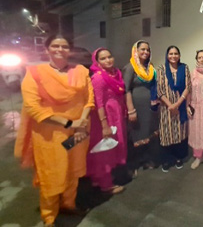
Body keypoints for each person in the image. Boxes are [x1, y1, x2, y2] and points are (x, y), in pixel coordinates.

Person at [14, 34, 94, 227]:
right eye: (55, 46)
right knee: (51, 173)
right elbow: (34, 108)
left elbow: (88, 99)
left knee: (73, 171)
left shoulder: (81, 71)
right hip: (49, 135)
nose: (60, 49)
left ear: (70, 50)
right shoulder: (35, 73)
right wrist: (68, 123)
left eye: (64, 46)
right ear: (47, 49)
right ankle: (49, 216)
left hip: (78, 132)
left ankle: (68, 204)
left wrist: (81, 122)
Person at [87, 48, 127, 194]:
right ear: (97, 62)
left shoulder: (115, 74)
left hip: (115, 114)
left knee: (110, 146)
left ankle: (98, 179)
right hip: (104, 117)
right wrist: (104, 125)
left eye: (109, 57)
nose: (108, 60)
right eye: (103, 58)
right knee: (105, 149)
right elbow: (98, 102)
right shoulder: (98, 77)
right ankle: (106, 184)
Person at [123, 41, 159, 176]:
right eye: (142, 49)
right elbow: (126, 90)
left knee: (147, 133)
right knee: (135, 134)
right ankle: (133, 165)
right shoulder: (130, 68)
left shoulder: (149, 68)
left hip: (149, 107)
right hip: (136, 106)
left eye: (148, 50)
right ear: (135, 51)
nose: (145, 52)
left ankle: (145, 160)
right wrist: (131, 110)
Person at [157, 46, 191, 172]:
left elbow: (188, 87)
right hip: (166, 108)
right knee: (166, 133)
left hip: (180, 106)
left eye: (176, 53)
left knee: (180, 133)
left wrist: (177, 104)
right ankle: (167, 159)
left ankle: (178, 157)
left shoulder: (184, 68)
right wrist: (170, 105)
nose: (173, 56)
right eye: (170, 54)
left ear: (179, 55)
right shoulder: (161, 69)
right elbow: (159, 90)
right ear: (167, 55)